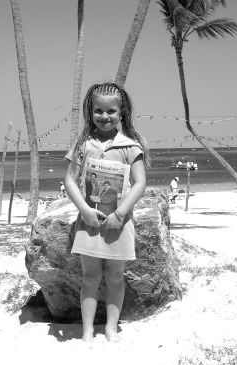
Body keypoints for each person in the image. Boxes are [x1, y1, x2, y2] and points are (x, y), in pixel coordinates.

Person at [65, 82, 148, 343]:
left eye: (111, 111)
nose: (104, 116)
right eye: (98, 110)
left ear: (121, 113)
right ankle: (88, 330)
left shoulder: (129, 146)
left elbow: (140, 183)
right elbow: (69, 180)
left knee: (115, 276)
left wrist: (121, 213)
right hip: (89, 222)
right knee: (90, 277)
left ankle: (111, 327)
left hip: (118, 224)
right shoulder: (83, 145)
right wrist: (85, 210)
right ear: (91, 112)